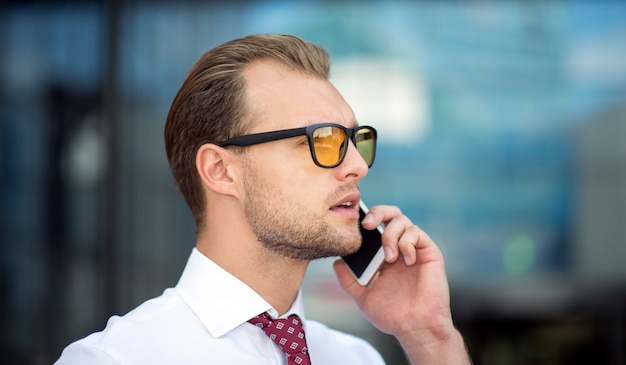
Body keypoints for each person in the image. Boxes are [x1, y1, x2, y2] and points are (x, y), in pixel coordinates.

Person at [55, 34, 471, 364]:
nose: (357, 167)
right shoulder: (116, 359)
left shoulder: (358, 358)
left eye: (354, 140)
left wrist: (430, 338)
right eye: (323, 139)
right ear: (220, 170)